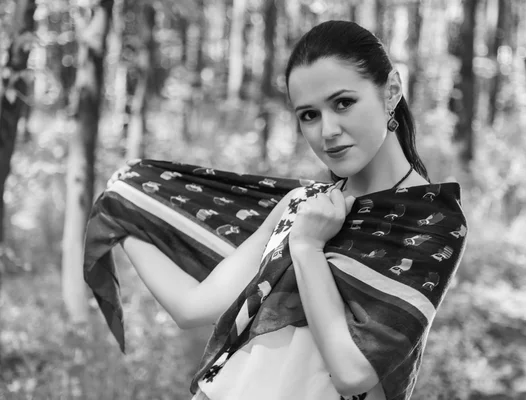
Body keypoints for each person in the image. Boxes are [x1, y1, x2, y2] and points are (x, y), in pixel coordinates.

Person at [116, 20, 466, 400]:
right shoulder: (301, 204)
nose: (327, 130)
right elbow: (192, 308)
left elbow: (353, 372)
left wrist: (306, 248)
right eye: (309, 115)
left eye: (343, 103)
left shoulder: (431, 220)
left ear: (391, 91)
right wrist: (117, 215)